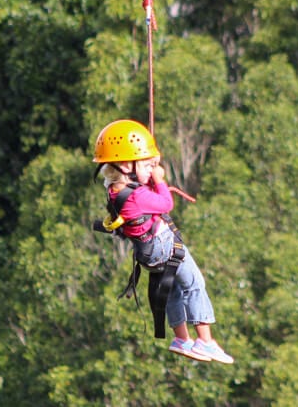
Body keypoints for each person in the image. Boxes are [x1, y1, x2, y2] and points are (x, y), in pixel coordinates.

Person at [93, 119, 234, 364]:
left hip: (146, 251)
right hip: (163, 246)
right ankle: (205, 341)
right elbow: (166, 203)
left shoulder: (115, 188)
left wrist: (148, 169)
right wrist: (158, 179)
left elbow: (141, 191)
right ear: (127, 165)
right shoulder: (137, 196)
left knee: (174, 288)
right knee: (194, 284)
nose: (152, 169)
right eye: (146, 165)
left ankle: (181, 339)